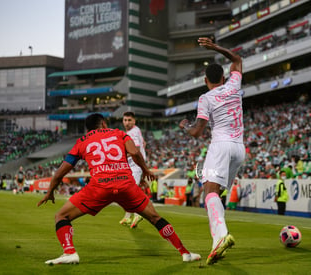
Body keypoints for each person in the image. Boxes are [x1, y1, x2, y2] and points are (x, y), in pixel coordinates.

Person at [37, 113, 200, 265]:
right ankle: (185, 253)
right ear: (103, 123)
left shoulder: (82, 142)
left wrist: (50, 191)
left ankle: (70, 252)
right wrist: (145, 170)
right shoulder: (119, 133)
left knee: (61, 216)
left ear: (88, 129)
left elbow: (60, 173)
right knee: (155, 218)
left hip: (99, 186)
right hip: (125, 184)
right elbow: (135, 152)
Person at [179, 37, 244, 265]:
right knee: (215, 193)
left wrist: (185, 126)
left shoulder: (205, 98)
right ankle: (219, 240)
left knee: (209, 193)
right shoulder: (234, 85)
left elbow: (198, 131)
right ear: (224, 78)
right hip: (239, 149)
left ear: (205, 80)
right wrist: (216, 48)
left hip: (221, 145)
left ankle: (220, 237)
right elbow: (236, 59)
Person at [119, 111, 146, 229]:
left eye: (129, 120)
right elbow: (143, 143)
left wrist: (122, 157)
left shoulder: (132, 132)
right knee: (128, 190)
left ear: (134, 121)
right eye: (125, 120)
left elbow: (136, 149)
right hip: (133, 165)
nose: (127, 122)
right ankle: (127, 216)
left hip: (136, 165)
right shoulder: (135, 130)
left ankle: (136, 214)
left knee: (131, 191)